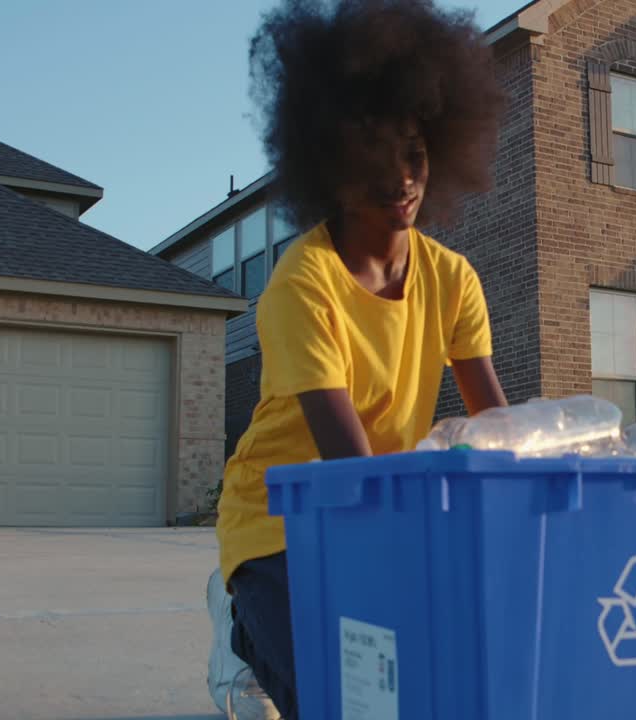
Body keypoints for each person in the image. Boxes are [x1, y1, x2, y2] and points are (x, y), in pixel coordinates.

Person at [208, 1, 507, 718]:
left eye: (414, 151)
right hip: (283, 522)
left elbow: (501, 426)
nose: (402, 177)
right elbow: (348, 463)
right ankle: (240, 633)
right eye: (374, 157)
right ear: (332, 167)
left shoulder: (453, 279)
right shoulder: (301, 287)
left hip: (387, 507)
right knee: (343, 700)